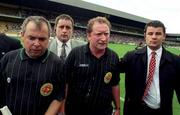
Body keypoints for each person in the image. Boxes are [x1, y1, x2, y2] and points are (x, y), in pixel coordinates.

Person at [0, 16, 65, 115]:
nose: (36, 43)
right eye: (31, 38)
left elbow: (58, 96)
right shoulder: (8, 59)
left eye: (42, 39)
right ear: (22, 35)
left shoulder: (57, 64)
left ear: (49, 39)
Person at [119, 20, 180, 115]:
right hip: (135, 110)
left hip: (162, 111)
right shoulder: (131, 57)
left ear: (164, 37)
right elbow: (112, 69)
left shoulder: (175, 61)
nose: (154, 37)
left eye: (158, 34)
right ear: (145, 36)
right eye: (150, 33)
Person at [64, 16, 120, 115]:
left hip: (103, 111)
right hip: (75, 110)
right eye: (99, 34)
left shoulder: (114, 57)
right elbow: (65, 83)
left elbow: (114, 84)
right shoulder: (76, 54)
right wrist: (62, 109)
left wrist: (118, 108)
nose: (103, 38)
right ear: (89, 36)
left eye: (106, 34)